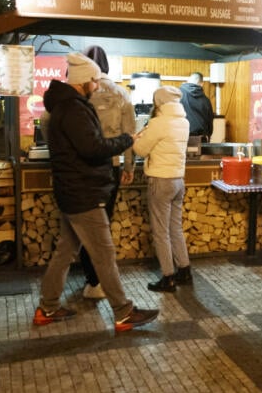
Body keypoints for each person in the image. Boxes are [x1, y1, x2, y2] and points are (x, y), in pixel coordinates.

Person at [34, 52, 159, 332]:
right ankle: (124, 312)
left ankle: (48, 307)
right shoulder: (74, 109)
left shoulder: (61, 106)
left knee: (65, 251)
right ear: (83, 82)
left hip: (71, 189)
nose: (98, 84)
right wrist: (127, 139)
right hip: (84, 192)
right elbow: (92, 149)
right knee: (104, 254)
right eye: (93, 80)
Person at [78, 45, 136, 300]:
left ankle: (92, 280)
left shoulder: (80, 92)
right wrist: (128, 167)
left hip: (83, 166)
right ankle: (98, 281)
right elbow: (130, 135)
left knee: (82, 225)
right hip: (110, 168)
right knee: (104, 224)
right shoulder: (121, 94)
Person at [133, 86, 192, 293]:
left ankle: (168, 277)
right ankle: (184, 270)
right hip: (178, 180)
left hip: (160, 180)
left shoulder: (158, 123)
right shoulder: (184, 122)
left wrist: (136, 138)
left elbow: (140, 150)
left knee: (161, 232)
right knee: (175, 228)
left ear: (158, 102)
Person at [179, 72, 214, 140]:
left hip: (181, 137)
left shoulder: (178, 95)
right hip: (200, 139)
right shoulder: (206, 100)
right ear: (201, 83)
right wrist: (208, 135)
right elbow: (210, 121)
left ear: (188, 81)